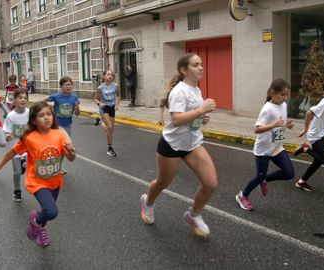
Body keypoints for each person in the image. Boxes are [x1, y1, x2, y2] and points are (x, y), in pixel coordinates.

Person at [139, 53, 217, 238]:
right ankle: (147, 202)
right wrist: (201, 109)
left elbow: (191, 116)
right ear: (184, 70)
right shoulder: (180, 91)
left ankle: (193, 215)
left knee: (211, 183)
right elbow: (175, 119)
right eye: (196, 65)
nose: (201, 68)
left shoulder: (196, 90)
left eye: (201, 64)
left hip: (192, 143)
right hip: (172, 145)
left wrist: (201, 117)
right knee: (162, 183)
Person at [0, 101, 76, 247]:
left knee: (46, 210)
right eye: (41, 115)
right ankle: (36, 222)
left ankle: (40, 227)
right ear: (34, 120)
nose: (47, 118)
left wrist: (71, 151)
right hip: (37, 182)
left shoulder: (59, 135)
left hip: (54, 181)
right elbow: (12, 152)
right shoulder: (29, 138)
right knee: (51, 211)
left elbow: (71, 159)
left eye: (49, 114)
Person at [235, 79, 295, 211]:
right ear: (273, 92)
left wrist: (287, 124)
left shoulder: (283, 105)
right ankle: (242, 195)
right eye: (282, 94)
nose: (285, 98)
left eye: (286, 94)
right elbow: (257, 129)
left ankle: (265, 179)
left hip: (277, 147)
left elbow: (279, 123)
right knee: (259, 175)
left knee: (289, 173)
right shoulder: (267, 108)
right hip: (264, 149)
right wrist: (274, 125)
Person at [43, 76, 80, 173]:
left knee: (62, 148)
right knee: (66, 144)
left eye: (69, 84)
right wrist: (50, 108)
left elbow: (77, 114)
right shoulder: (56, 96)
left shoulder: (74, 97)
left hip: (68, 125)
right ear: (61, 86)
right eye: (65, 85)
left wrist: (77, 108)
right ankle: (54, 164)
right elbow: (44, 100)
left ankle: (57, 165)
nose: (68, 87)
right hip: (57, 125)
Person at [3, 88, 29, 202]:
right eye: (20, 98)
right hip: (15, 149)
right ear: (14, 100)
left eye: (25, 98)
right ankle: (17, 190)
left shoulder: (30, 113)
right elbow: (7, 132)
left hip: (28, 148)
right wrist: (8, 136)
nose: (23, 100)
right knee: (17, 172)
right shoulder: (11, 116)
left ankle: (25, 164)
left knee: (30, 166)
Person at [93, 70, 120, 157]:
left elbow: (119, 96)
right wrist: (99, 103)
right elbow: (95, 99)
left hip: (112, 108)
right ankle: (110, 148)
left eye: (112, 75)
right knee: (110, 127)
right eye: (108, 74)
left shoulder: (115, 86)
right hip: (104, 108)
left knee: (110, 130)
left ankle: (100, 121)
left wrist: (116, 104)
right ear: (104, 76)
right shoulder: (100, 88)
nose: (110, 76)